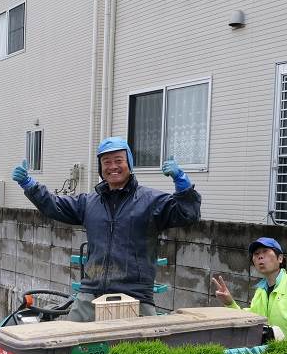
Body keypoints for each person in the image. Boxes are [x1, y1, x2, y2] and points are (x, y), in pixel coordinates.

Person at [12, 136, 201, 321]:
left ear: (129, 163)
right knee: (69, 344)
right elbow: (55, 205)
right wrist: (29, 185)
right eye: (106, 162)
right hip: (91, 294)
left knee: (142, 348)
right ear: (101, 168)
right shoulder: (89, 202)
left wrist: (182, 182)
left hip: (135, 295)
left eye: (118, 160)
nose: (112, 167)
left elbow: (187, 214)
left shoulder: (151, 201)